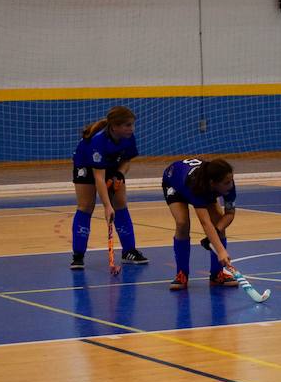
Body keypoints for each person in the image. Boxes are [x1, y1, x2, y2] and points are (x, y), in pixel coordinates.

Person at [70, 105, 148, 270]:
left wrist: (119, 174)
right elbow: (98, 177)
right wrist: (107, 206)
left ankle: (129, 251)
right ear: (115, 126)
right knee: (86, 206)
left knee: (120, 203)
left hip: (112, 165)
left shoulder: (128, 137)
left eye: (132, 125)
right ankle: (78, 256)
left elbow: (126, 160)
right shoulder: (98, 141)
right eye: (127, 125)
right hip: (85, 164)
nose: (131, 129)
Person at [162, 158, 239, 291]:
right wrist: (221, 250)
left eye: (231, 180)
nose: (230, 185)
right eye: (226, 182)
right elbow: (205, 221)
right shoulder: (197, 186)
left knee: (219, 220)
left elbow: (230, 214)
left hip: (202, 187)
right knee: (182, 223)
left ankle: (217, 274)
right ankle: (182, 274)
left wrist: (216, 231)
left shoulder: (227, 185)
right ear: (213, 183)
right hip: (175, 183)